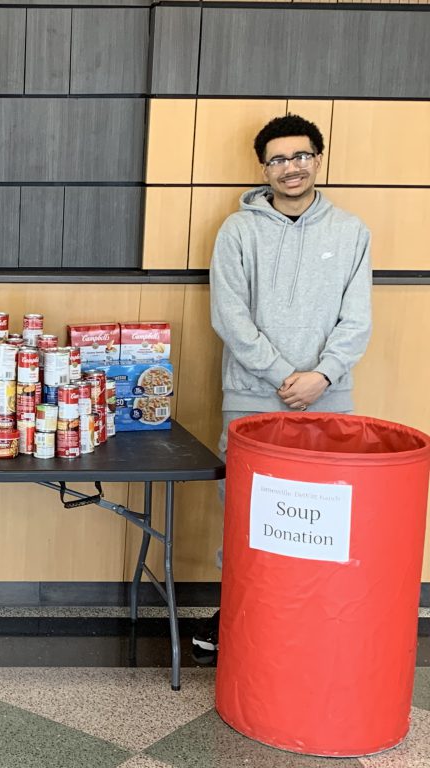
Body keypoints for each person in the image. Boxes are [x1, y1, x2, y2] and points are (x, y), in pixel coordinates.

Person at [193, 114, 373, 658]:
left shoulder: (351, 232)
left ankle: (313, 625)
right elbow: (230, 315)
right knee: (249, 511)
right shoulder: (238, 230)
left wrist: (320, 377)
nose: (290, 168)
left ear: (318, 159)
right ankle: (242, 619)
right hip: (250, 396)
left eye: (300, 156)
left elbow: (357, 320)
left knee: (319, 516)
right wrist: (281, 376)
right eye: (277, 159)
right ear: (263, 168)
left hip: (328, 399)